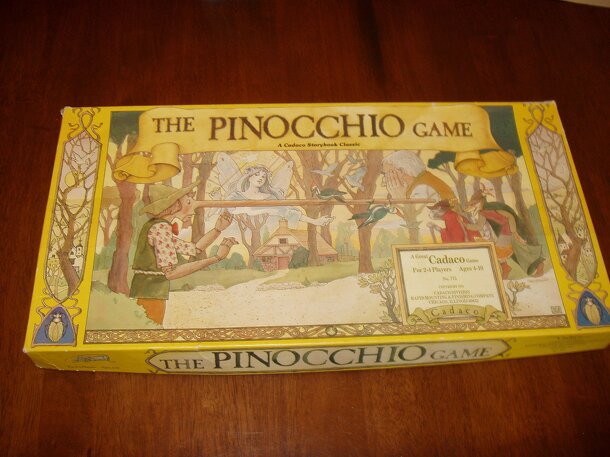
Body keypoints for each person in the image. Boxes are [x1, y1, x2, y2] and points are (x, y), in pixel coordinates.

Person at [130, 179, 238, 325]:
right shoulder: (161, 228)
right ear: (174, 205)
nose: (193, 209)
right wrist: (216, 258)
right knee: (149, 327)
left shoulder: (157, 226)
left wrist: (217, 229)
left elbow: (194, 249)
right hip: (149, 294)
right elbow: (171, 273)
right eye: (188, 202)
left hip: (149, 292)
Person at [465, 191, 544, 279]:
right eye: (472, 204)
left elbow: (510, 217)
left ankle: (538, 265)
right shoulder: (482, 212)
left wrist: (514, 232)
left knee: (501, 251)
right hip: (502, 233)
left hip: (509, 230)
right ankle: (506, 268)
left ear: (481, 201)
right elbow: (478, 226)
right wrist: (466, 226)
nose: (473, 207)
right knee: (510, 252)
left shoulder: (492, 207)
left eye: (474, 204)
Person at [227, 164, 333, 227]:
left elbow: (289, 212)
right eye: (257, 175)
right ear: (249, 177)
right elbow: (228, 211)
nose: (260, 178)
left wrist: (315, 221)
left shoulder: (270, 198)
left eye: (263, 177)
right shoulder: (236, 196)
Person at [381, 150, 455, 202]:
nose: (383, 182)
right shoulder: (423, 180)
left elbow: (419, 218)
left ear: (401, 171)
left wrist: (399, 199)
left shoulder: (422, 189)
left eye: (387, 174)